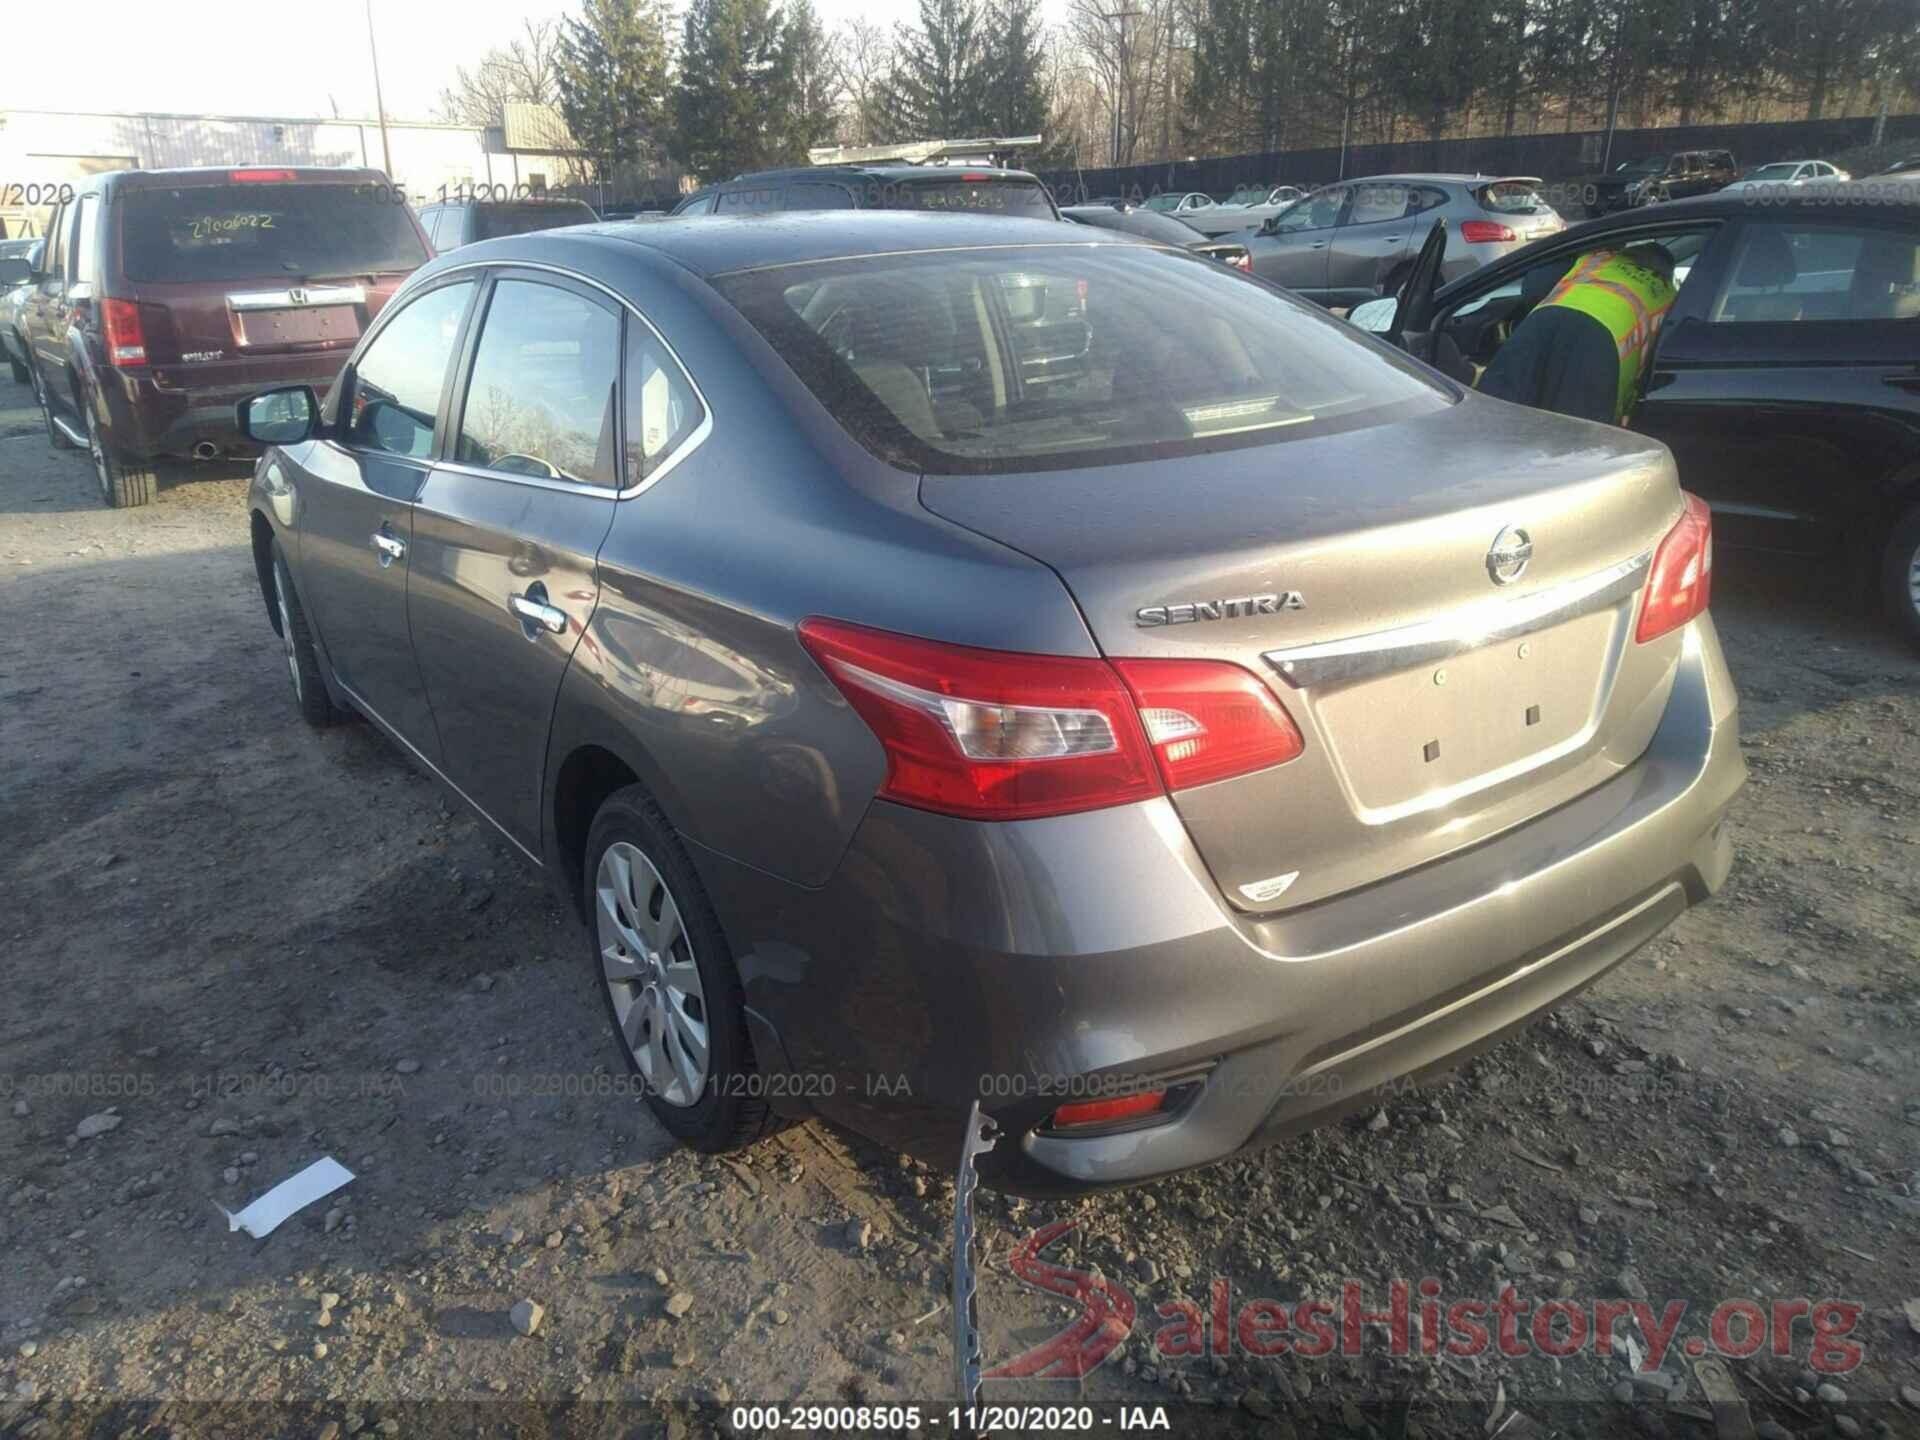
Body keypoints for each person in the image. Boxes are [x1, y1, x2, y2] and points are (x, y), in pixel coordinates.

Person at [1476, 243, 1678, 425]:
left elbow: (1536, 285)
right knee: (1573, 437)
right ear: (1667, 273)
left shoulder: (1596, 258)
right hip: (1599, 349)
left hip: (1541, 321)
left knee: (1494, 409)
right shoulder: (1669, 297)